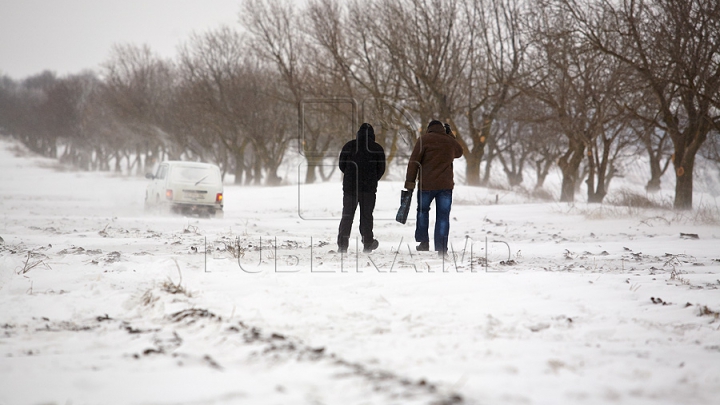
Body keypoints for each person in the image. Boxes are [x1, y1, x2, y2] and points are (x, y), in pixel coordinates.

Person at [404, 120, 463, 256]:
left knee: (422, 211)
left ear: (428, 129)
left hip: (426, 185)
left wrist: (409, 183)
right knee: (443, 217)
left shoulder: (423, 140)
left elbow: (413, 163)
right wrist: (450, 135)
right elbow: (459, 152)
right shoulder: (449, 141)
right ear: (443, 129)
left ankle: (424, 242)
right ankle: (442, 249)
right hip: (445, 186)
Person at [337, 123, 386, 253]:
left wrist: (349, 175)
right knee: (366, 216)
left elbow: (342, 165)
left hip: (350, 188)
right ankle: (368, 243)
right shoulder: (377, 148)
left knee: (347, 215)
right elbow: (381, 169)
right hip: (368, 189)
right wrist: (373, 179)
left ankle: (342, 245)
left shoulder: (349, 146)